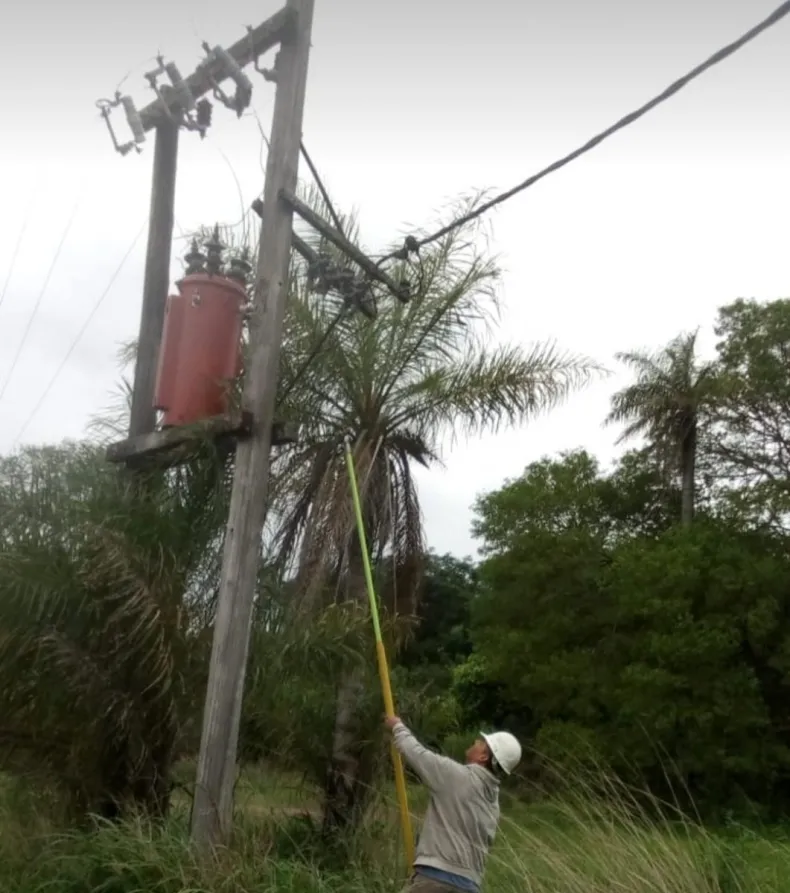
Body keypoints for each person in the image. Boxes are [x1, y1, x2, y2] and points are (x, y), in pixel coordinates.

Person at [385, 715, 522, 893]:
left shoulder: (457, 777)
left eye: (481, 743)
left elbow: (417, 754)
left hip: (436, 880)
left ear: (483, 756)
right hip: (470, 886)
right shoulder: (493, 803)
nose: (476, 741)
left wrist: (397, 727)